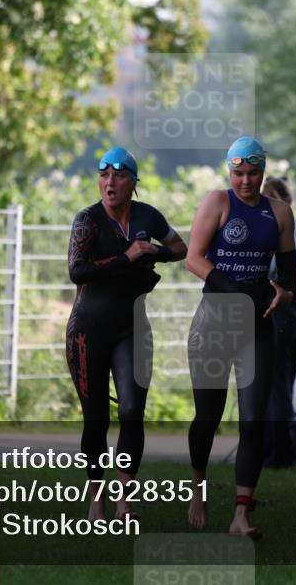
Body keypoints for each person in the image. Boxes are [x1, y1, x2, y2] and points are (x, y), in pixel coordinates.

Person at [184, 136, 296, 539]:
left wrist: (283, 292)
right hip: (216, 320)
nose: (245, 181)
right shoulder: (218, 202)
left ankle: (240, 516)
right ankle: (198, 490)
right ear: (228, 171)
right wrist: (235, 293)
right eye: (238, 173)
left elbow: (289, 275)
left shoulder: (280, 213)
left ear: (262, 172)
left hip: (257, 327)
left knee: (254, 420)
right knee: (208, 419)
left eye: (252, 173)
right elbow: (193, 259)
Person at [65, 147, 187, 522]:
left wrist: (154, 252)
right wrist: (126, 258)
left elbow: (180, 247)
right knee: (96, 419)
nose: (110, 183)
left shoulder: (148, 214)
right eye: (104, 176)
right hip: (87, 331)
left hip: (132, 328)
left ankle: (124, 501)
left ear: (133, 182)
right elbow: (77, 271)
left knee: (133, 411)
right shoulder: (88, 220)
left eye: (119, 176)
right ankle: (97, 499)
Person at [260, 177, 296, 467]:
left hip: (280, 309)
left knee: (274, 384)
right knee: (287, 382)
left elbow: (271, 273)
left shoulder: (280, 233)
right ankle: (284, 450)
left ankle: (275, 454)